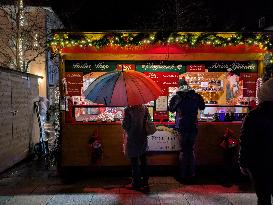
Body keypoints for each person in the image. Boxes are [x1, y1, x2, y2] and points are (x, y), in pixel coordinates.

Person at [239, 78, 273, 205]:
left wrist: (242, 162)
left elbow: (246, 140)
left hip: (260, 164)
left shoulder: (254, 116)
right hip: (260, 162)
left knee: (263, 198)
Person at [169, 78, 205, 183]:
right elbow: (202, 107)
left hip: (182, 127)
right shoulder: (196, 96)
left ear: (179, 86)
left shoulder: (177, 96)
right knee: (191, 150)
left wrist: (178, 101)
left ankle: (183, 174)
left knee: (184, 150)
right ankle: (192, 173)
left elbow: (171, 109)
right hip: (193, 126)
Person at [122, 104, 149, 191]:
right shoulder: (144, 108)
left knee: (134, 162)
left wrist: (123, 119)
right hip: (142, 137)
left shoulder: (128, 109)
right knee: (143, 160)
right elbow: (148, 122)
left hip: (132, 138)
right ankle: (145, 182)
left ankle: (136, 183)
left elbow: (125, 126)